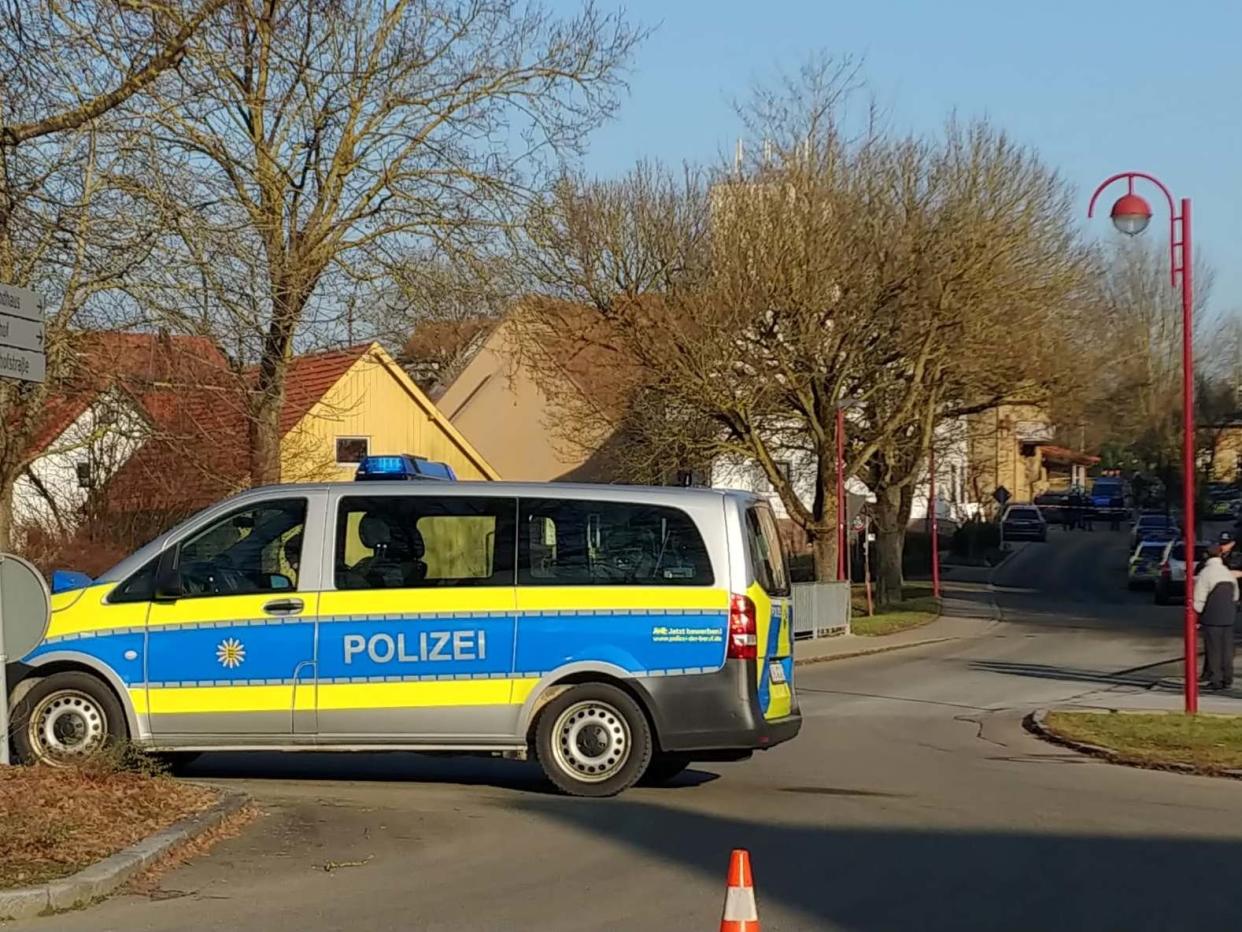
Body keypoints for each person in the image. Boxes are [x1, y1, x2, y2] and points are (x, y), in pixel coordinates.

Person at [1192, 533, 1238, 691]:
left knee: (1213, 649)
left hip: (1212, 616)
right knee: (1226, 648)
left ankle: (1216, 680)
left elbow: (1199, 596)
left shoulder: (1206, 572)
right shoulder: (1226, 572)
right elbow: (1235, 594)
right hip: (1228, 615)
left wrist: (1197, 613)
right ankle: (1228, 678)